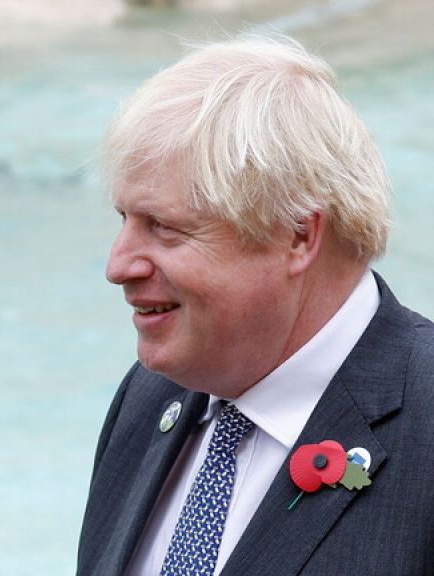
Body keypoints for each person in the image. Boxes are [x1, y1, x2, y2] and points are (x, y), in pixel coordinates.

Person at [77, 35, 434, 575]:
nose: (118, 265)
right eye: (123, 219)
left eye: (164, 227)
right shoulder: (149, 398)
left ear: (297, 235)